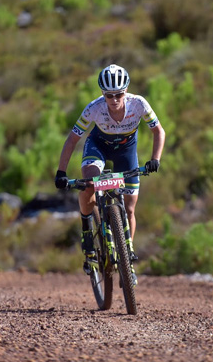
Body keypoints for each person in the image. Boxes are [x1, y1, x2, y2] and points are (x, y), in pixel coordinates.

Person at [54, 64, 166, 279]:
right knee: (89, 182)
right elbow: (72, 139)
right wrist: (61, 171)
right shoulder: (93, 108)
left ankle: (127, 259)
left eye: (118, 94)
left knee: (130, 209)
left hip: (126, 152)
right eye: (109, 95)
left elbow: (158, 131)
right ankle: (87, 225)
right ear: (102, 94)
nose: (114, 99)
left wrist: (155, 159)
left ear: (126, 91)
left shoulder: (139, 103)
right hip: (99, 148)